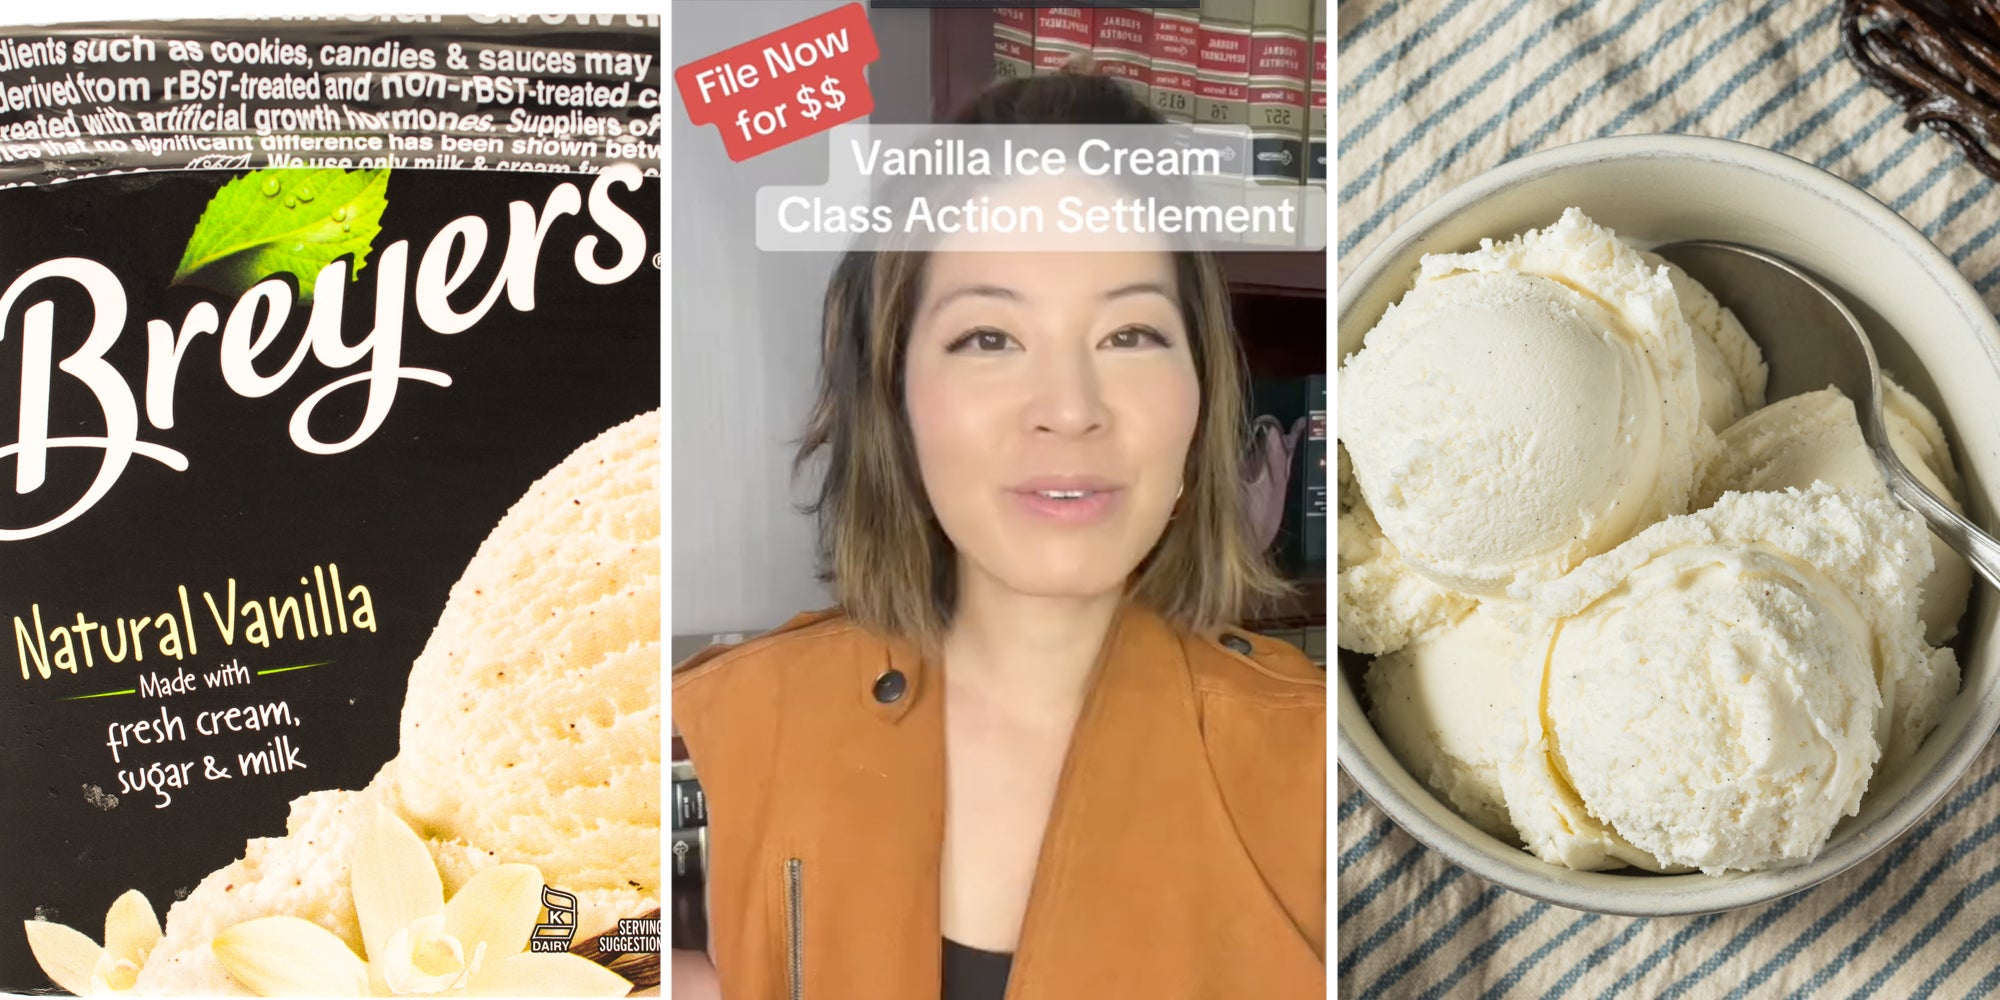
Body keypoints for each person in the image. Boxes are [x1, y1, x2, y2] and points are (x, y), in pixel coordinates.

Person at [671, 71, 1325, 1000]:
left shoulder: (1320, 770)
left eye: (1131, 334)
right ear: (894, 396)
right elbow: (532, 924)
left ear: (1202, 394)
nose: (1069, 409)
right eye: (989, 338)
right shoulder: (745, 720)